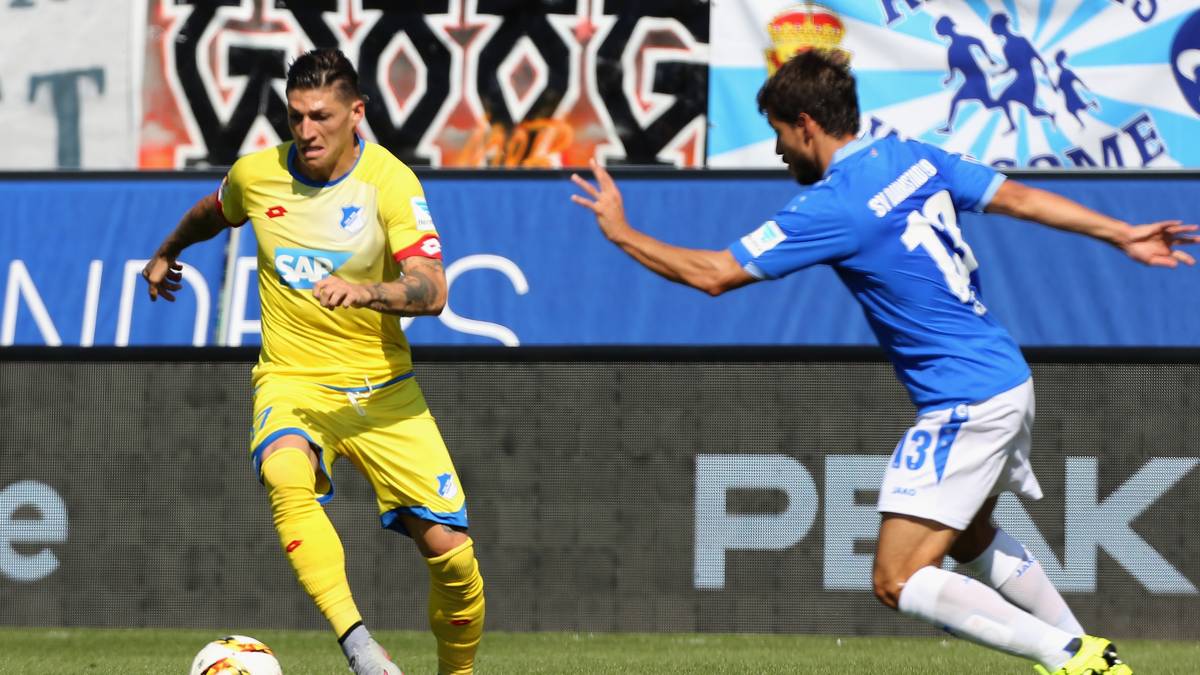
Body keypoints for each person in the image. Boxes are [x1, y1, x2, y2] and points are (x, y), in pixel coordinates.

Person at [570, 49, 1196, 675]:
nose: (781, 151)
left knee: (898, 578)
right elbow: (1023, 198)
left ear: (807, 124)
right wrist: (1120, 232)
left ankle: (1071, 656)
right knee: (972, 535)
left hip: (967, 399)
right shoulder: (912, 156)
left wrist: (622, 233)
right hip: (1004, 375)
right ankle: (1090, 655)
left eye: (780, 134)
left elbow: (713, 275)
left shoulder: (834, 204)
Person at [143, 48, 484, 675]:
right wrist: (167, 251)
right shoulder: (258, 175)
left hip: (382, 390)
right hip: (292, 379)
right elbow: (211, 211)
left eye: (321, 116)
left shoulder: (390, 182)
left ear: (357, 113)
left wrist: (371, 292)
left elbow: (433, 289)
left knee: (454, 559)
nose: (306, 132)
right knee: (285, 472)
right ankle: (361, 649)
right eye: (295, 117)